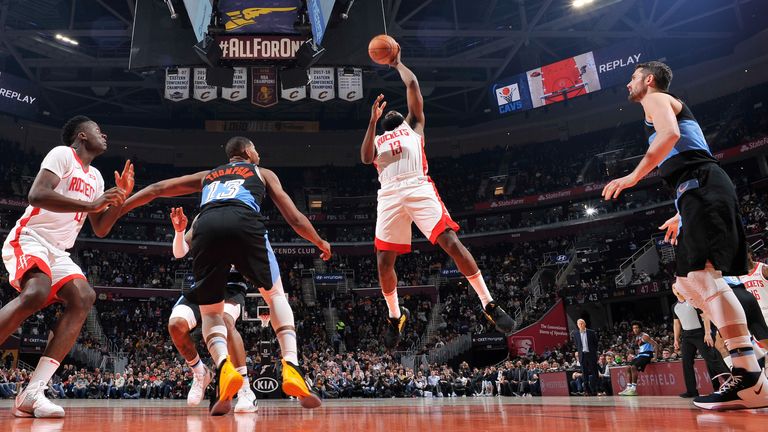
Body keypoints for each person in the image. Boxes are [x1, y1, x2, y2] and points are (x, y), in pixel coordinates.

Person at [121, 136, 330, 415]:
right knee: (275, 295)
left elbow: (159, 188)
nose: (259, 153)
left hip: (206, 225)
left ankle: (223, 368)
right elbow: (294, 218)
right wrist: (319, 242)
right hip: (243, 221)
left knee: (211, 315)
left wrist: (120, 206)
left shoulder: (209, 176)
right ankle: (291, 366)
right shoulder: (262, 172)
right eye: (256, 148)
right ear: (246, 152)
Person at [604, 61, 768, 409]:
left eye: (632, 78)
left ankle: (749, 371)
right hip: (696, 190)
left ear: (648, 80)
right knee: (689, 283)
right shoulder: (662, 105)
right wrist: (681, 211)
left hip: (703, 187)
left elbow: (671, 137)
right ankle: (749, 370)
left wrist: (632, 177)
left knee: (698, 277)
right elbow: (690, 156)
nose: (627, 84)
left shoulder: (657, 98)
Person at [359, 48, 513, 349]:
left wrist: (398, 64)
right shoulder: (377, 139)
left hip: (417, 186)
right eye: (386, 115)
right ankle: (395, 315)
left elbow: (412, 86)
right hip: (389, 194)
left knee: (451, 242)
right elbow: (365, 159)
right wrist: (371, 121)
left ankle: (488, 303)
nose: (391, 113)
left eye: (392, 112)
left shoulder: (413, 126)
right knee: (382, 261)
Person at [0, 116, 133, 417]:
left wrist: (119, 200)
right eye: (99, 130)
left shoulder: (97, 178)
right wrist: (90, 206)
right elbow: (36, 195)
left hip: (59, 251)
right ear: (82, 135)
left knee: (84, 297)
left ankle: (32, 393)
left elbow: (100, 228)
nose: (105, 134)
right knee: (36, 293)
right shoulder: (63, 155)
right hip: (31, 237)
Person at [166, 207, 257, 412]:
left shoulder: (245, 216)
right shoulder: (201, 217)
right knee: (175, 325)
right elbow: (179, 252)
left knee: (225, 320)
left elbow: (257, 260)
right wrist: (180, 231)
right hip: (204, 283)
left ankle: (245, 389)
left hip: (231, 286)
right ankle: (200, 372)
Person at [672, 284, 729, 398]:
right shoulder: (674, 306)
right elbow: (676, 323)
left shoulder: (693, 301)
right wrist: (676, 339)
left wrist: (707, 333)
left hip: (700, 333)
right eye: (674, 288)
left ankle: (731, 381)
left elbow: (706, 316)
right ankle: (691, 391)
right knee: (686, 362)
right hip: (686, 336)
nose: (676, 289)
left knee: (712, 359)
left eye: (678, 286)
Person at [618, 321, 657, 396]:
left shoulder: (645, 336)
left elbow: (656, 345)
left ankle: (633, 389)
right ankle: (629, 388)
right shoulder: (637, 337)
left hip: (647, 355)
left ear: (640, 328)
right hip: (640, 355)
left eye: (636, 328)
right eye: (633, 328)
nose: (635, 329)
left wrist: (655, 357)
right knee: (628, 368)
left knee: (633, 367)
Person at [571, 318, 599, 396]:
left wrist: (593, 352)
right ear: (577, 325)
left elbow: (595, 344)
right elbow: (577, 345)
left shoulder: (591, 332)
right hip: (582, 355)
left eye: (582, 323)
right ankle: (587, 391)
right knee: (584, 373)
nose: (581, 325)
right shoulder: (575, 334)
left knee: (594, 372)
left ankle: (596, 389)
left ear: (585, 324)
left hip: (591, 355)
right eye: (579, 324)